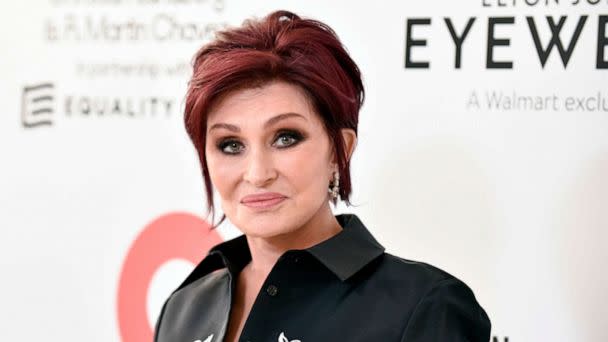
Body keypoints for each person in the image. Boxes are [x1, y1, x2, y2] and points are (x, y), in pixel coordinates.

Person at [154, 10, 491, 342]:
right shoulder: (185, 308)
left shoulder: (423, 305)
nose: (257, 174)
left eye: (286, 137)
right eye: (230, 145)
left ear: (339, 150)